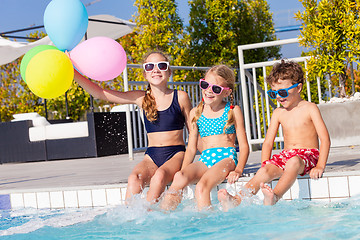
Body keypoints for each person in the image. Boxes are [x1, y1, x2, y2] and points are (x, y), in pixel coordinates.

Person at [73, 51, 192, 203]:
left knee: (159, 176)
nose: (155, 70)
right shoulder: (140, 98)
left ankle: (149, 214)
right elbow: (100, 94)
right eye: (150, 66)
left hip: (176, 154)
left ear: (168, 72)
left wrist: (192, 163)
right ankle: (130, 219)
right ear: (145, 74)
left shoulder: (180, 97)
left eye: (161, 66)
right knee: (134, 178)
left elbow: (194, 132)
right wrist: (74, 73)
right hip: (152, 155)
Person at [218, 60, 331, 209]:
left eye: (283, 92)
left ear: (298, 88)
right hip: (287, 155)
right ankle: (237, 200)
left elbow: (325, 139)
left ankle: (275, 196)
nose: (278, 97)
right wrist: (266, 164)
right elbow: (268, 143)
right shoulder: (278, 113)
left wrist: (320, 166)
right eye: (273, 93)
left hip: (307, 156)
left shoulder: (310, 108)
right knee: (264, 171)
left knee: (293, 162)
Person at [160, 65, 249, 211]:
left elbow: (244, 146)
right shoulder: (196, 112)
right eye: (205, 85)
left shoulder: (232, 110)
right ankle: (164, 217)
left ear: (226, 92)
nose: (208, 90)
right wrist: (182, 170)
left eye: (216, 89)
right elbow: (191, 148)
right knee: (179, 177)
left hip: (226, 158)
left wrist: (238, 170)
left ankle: (207, 226)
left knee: (202, 186)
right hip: (205, 159)